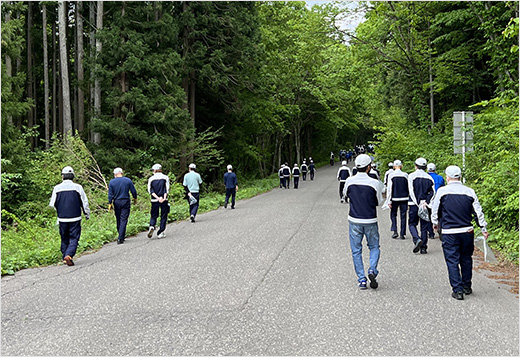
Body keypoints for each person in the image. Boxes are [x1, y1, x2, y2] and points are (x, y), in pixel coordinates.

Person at [431, 165, 488, 300]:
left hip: (449, 231)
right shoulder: (470, 192)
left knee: (452, 260)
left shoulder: (442, 191)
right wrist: (483, 229)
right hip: (467, 231)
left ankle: (458, 290)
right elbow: (478, 212)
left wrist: (435, 223)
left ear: (447, 177)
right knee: (466, 258)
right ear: (460, 176)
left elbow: (435, 209)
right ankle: (467, 286)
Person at [343, 154, 384, 290]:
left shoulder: (349, 181)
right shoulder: (374, 183)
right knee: (374, 247)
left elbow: (345, 195)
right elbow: (379, 201)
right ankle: (372, 269)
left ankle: (361, 279)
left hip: (354, 219)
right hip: (370, 219)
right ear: (369, 167)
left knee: (356, 250)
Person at [49, 166, 90, 266]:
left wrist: (59, 211)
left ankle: (65, 256)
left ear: (62, 176)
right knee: (74, 238)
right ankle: (69, 255)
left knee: (64, 238)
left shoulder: (57, 188)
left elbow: (52, 204)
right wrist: (86, 214)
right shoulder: (78, 187)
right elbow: (85, 203)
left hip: (62, 218)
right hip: (75, 217)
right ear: (73, 176)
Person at [408, 157, 435, 254]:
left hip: (414, 204)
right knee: (424, 226)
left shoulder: (411, 176)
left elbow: (411, 191)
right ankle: (423, 247)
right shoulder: (429, 178)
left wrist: (417, 202)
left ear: (416, 166)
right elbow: (432, 192)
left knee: (412, 224)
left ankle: (416, 238)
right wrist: (426, 202)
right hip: (425, 205)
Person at [108, 167, 137, 244]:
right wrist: (135, 199)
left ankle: (121, 235)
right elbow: (133, 191)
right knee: (123, 219)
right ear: (122, 173)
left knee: (118, 218)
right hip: (125, 201)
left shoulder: (112, 182)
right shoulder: (127, 180)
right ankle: (121, 237)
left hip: (116, 201)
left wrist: (110, 203)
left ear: (115, 174)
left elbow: (110, 194)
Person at [385, 160, 409, 239]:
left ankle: (395, 230)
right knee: (403, 215)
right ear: (401, 166)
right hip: (404, 198)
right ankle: (402, 233)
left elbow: (389, 189)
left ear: (394, 166)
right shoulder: (406, 175)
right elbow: (409, 187)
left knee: (393, 214)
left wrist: (389, 200)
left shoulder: (391, 175)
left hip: (394, 198)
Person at [147, 164, 170, 238]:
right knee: (164, 215)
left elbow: (150, 190)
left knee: (154, 215)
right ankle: (161, 232)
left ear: (154, 170)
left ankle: (152, 225)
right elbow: (167, 189)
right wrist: (163, 198)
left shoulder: (151, 179)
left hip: (154, 200)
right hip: (164, 200)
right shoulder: (165, 177)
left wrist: (157, 198)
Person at [427, 162, 445, 239]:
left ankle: (431, 233)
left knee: (428, 215)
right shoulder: (440, 178)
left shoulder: (426, 177)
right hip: (439, 198)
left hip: (429, 199)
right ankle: (440, 229)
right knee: (440, 215)